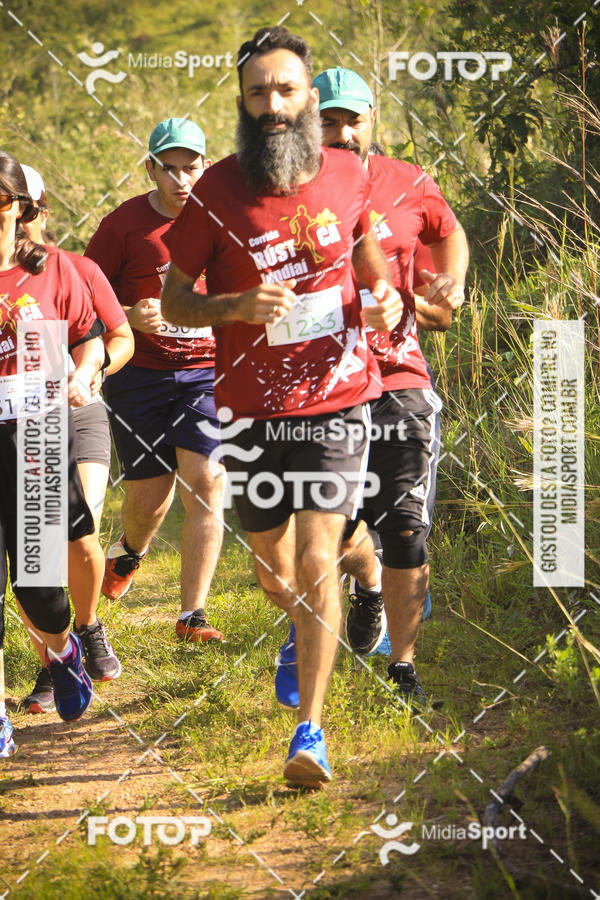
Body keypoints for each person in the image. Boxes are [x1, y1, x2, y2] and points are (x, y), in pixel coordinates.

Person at [161, 26, 403, 787]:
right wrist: (235, 302)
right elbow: (174, 301)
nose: (273, 105)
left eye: (287, 91)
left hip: (337, 394)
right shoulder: (216, 192)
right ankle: (332, 598)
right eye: (259, 91)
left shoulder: (347, 172)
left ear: (309, 98)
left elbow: (368, 253)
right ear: (241, 98)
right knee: (273, 571)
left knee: (314, 554)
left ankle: (311, 734)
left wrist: (385, 292)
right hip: (249, 409)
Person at [311, 67, 469, 706]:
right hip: (323, 384)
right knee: (334, 525)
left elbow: (448, 230)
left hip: (400, 377)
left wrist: (449, 281)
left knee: (405, 528)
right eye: (328, 119)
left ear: (372, 117)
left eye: (353, 118)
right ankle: (367, 583)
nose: (343, 131)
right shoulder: (287, 191)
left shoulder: (407, 180)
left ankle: (403, 670)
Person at [85, 118, 226, 644]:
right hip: (139, 376)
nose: (182, 179)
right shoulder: (122, 227)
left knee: (207, 481)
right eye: (170, 168)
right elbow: (84, 309)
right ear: (150, 168)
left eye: (192, 167)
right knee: (151, 498)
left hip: (205, 373)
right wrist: (129, 314)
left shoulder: (222, 221)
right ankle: (130, 551)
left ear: (205, 167)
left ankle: (193, 617)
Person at [18, 165, 134, 714]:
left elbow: (118, 338)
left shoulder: (76, 269)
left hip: (79, 413)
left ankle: (86, 628)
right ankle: (53, 662)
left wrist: (90, 375)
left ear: (40, 212)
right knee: (34, 547)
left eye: (32, 210)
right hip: (20, 425)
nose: (27, 221)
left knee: (78, 531)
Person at [0, 151, 105, 754]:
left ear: (11, 208)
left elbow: (91, 341)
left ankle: (64, 650)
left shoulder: (52, 273)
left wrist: (82, 374)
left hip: (36, 437)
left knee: (38, 591)